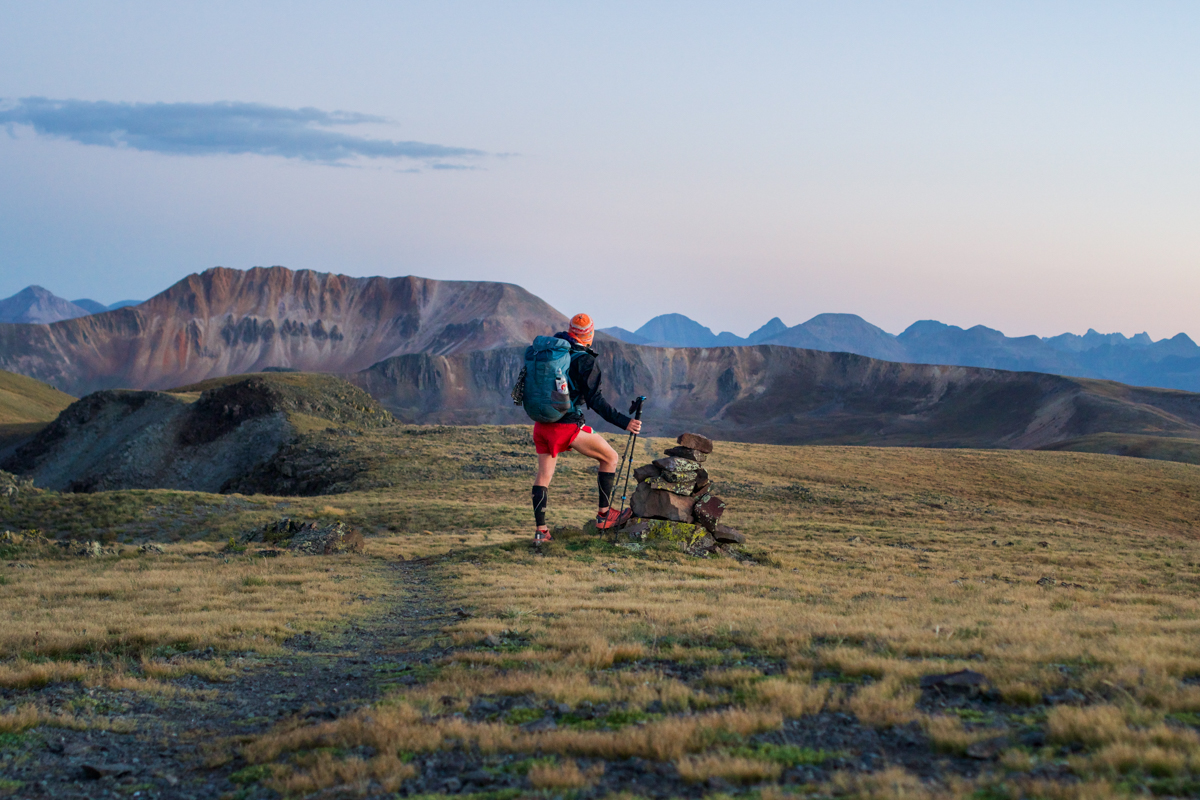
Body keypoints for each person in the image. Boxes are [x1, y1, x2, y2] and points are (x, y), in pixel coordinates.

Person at [531, 313, 642, 542]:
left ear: (569, 331)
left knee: (543, 476)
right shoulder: (585, 361)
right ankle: (604, 515)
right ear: (589, 335)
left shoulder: (554, 352)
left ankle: (541, 532)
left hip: (542, 425)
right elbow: (596, 402)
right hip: (565, 427)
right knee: (610, 458)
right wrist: (625, 422)